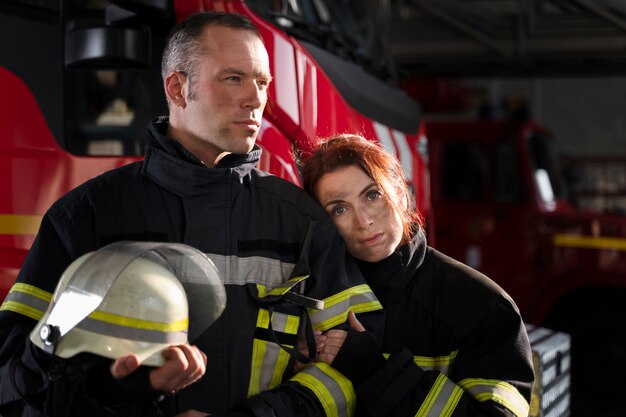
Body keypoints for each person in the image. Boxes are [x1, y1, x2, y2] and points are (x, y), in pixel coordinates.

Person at [0, 12, 384, 417]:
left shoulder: (301, 221)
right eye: (234, 78)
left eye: (263, 82)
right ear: (178, 88)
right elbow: (14, 385)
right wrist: (128, 389)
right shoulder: (84, 217)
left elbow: (355, 366)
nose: (255, 99)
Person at [299, 133, 535, 417]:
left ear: (400, 191)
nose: (363, 221)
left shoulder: (482, 304)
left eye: (372, 195)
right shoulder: (307, 298)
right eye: (339, 209)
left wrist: (377, 372)